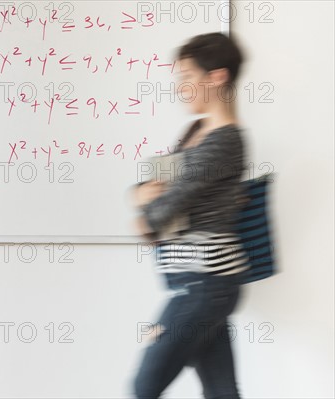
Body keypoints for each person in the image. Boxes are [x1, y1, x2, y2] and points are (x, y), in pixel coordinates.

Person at [131, 32, 249, 398]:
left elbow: (162, 211)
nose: (180, 88)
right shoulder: (196, 133)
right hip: (197, 284)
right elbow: (150, 190)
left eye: (186, 77)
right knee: (221, 391)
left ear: (217, 77)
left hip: (205, 285)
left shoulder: (224, 141)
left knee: (145, 385)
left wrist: (144, 211)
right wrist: (140, 197)